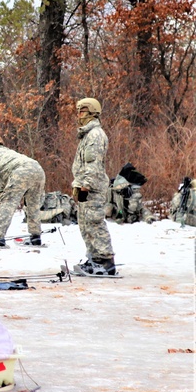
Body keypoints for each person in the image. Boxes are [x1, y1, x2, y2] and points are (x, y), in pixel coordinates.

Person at [72, 98, 116, 275]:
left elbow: (93, 164)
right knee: (85, 224)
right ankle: (94, 258)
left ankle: (105, 261)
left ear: (91, 112)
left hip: (93, 188)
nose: (79, 115)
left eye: (82, 111)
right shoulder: (86, 135)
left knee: (94, 222)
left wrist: (86, 186)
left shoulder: (95, 135)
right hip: (85, 185)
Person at [0, 134, 46, 247]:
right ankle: (35, 237)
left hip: (21, 172)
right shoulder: (9, 152)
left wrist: (1, 190)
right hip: (38, 169)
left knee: (7, 204)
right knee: (33, 206)